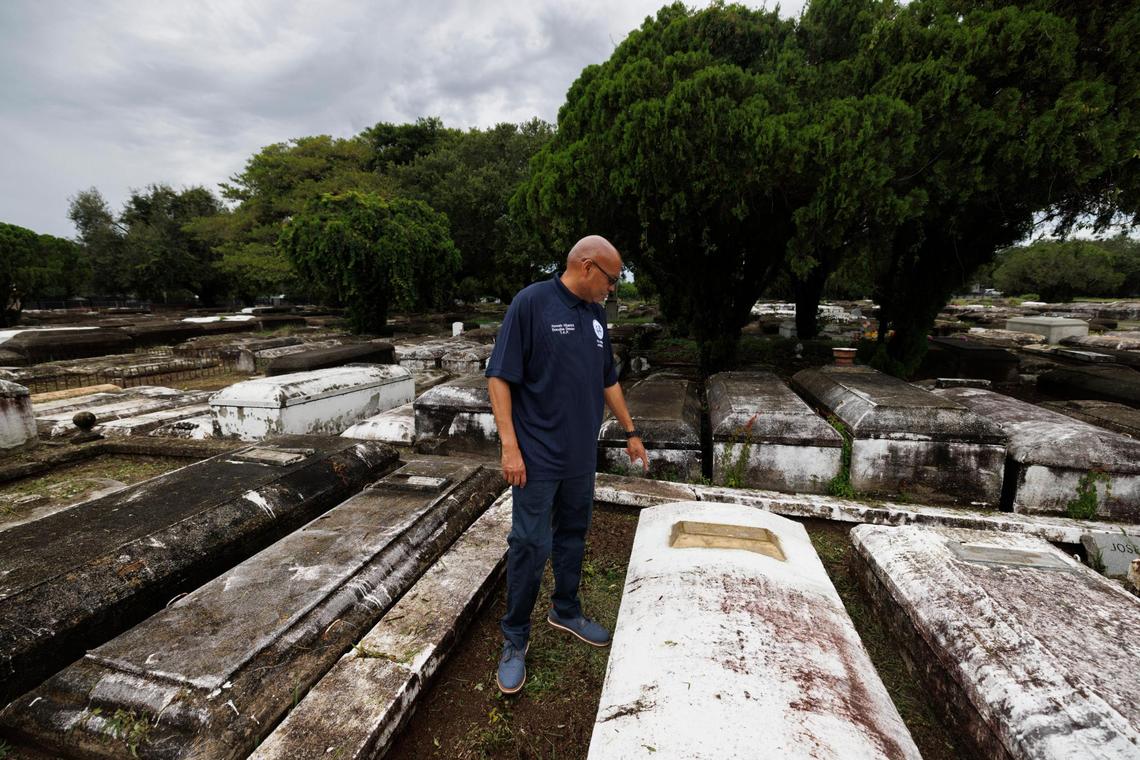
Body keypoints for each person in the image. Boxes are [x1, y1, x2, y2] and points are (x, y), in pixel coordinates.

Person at [486, 234, 648, 694]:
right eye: (611, 279)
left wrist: (631, 433)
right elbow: (499, 377)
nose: (613, 289)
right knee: (529, 544)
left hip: (580, 456)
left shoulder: (595, 316)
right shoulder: (532, 303)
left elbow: (606, 379)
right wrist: (509, 447)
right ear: (587, 266)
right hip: (536, 456)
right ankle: (515, 638)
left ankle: (566, 609)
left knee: (573, 535)